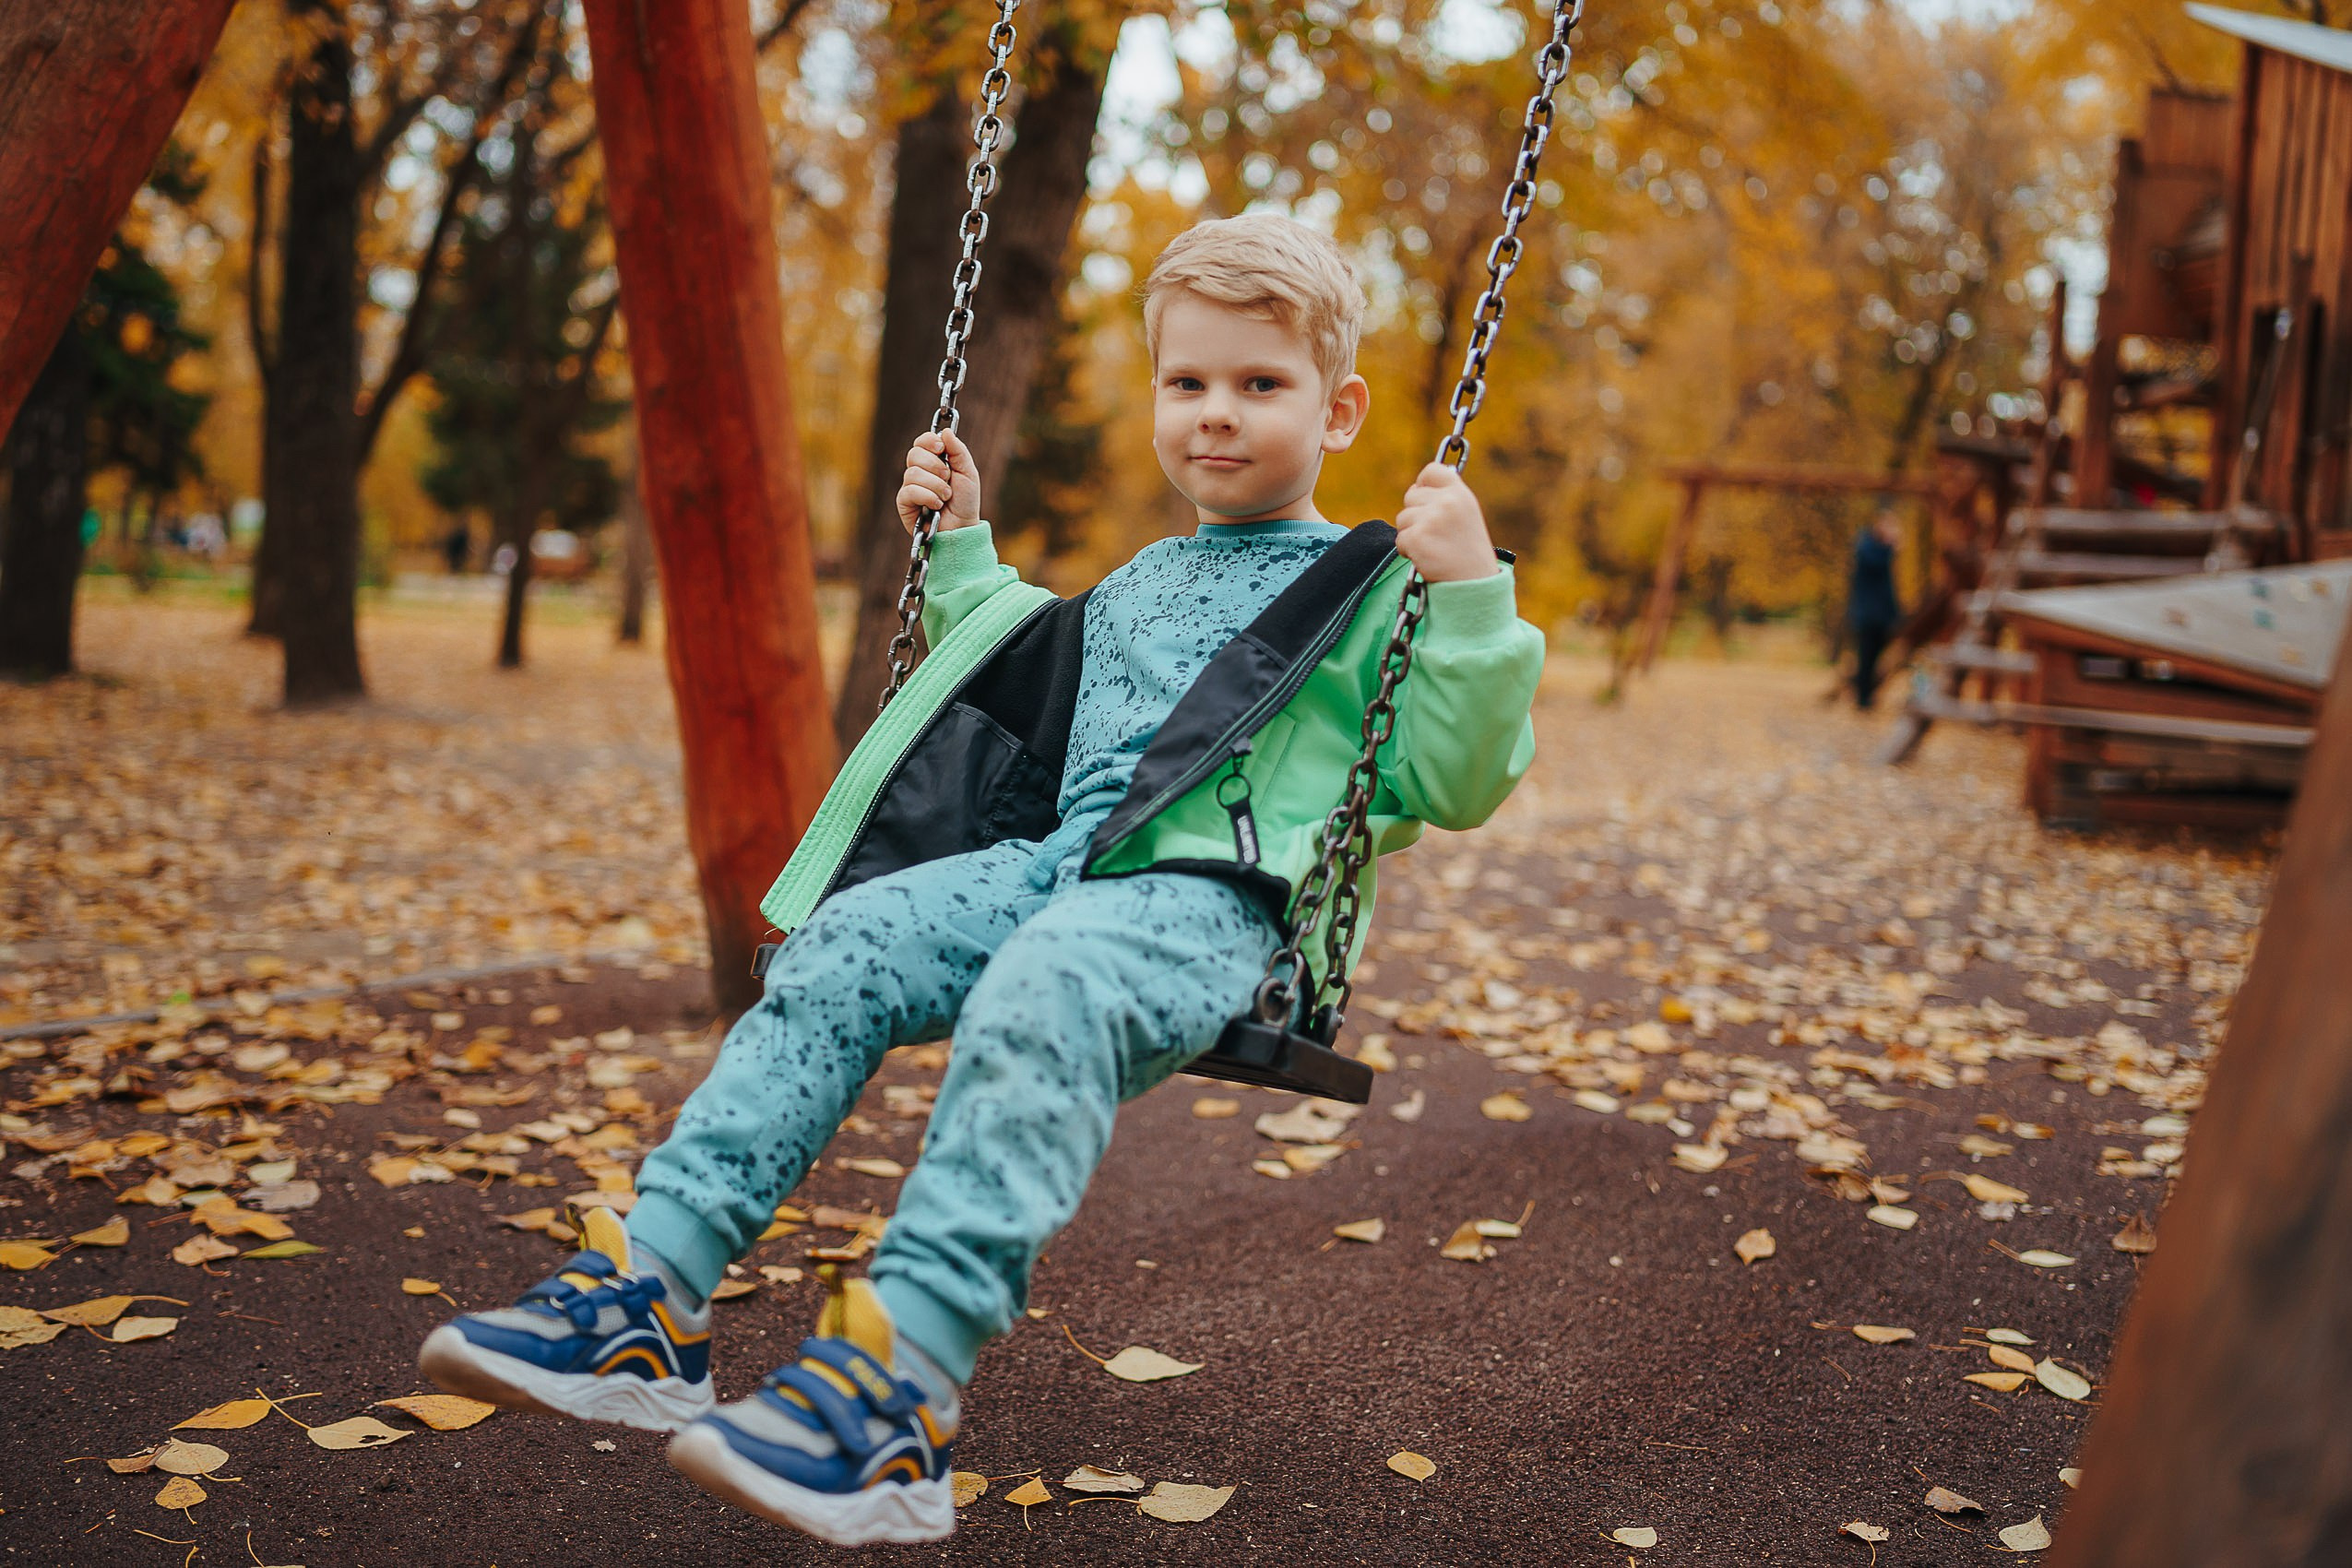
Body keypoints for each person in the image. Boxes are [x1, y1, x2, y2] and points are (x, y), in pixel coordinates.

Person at [418, 215, 1545, 1547]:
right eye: (1186, 384)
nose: (1216, 417)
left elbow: (1458, 777)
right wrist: (956, 547)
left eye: (1259, 384)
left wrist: (1472, 593)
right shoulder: (1139, 580)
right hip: (1052, 872)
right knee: (842, 944)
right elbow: (1033, 677)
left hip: (1203, 904)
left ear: (1339, 407)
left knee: (1048, 981)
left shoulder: (1373, 590)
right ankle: (653, 1300)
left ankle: (902, 1393)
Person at [1847, 508, 1903, 709]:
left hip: (1881, 615)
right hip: (1868, 615)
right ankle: (1862, 697)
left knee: (1875, 656)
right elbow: (1874, 564)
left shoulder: (1878, 552)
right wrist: (1891, 548)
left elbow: (1887, 589)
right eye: (1890, 528)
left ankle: (1865, 691)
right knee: (1867, 656)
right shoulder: (1867, 549)